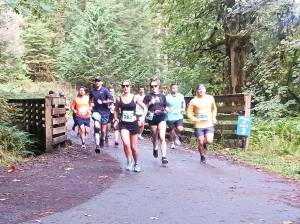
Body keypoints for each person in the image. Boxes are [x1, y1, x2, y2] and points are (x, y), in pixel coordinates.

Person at [114, 80, 147, 172]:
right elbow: (116, 110)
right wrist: (116, 119)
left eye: (127, 86)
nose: (125, 87)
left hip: (133, 124)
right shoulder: (118, 98)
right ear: (121, 87)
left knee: (134, 147)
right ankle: (129, 161)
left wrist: (142, 118)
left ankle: (136, 163)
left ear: (130, 87)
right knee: (126, 144)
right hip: (124, 124)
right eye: (123, 86)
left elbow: (145, 107)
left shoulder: (135, 97)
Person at [186, 83, 217, 163]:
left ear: (205, 90)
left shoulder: (210, 98)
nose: (201, 91)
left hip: (209, 123)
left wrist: (213, 117)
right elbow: (189, 113)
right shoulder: (193, 101)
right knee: (200, 141)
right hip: (199, 125)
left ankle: (204, 144)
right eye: (199, 89)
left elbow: (214, 109)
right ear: (197, 91)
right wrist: (195, 119)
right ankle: (202, 156)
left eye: (202, 89)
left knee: (209, 141)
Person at [143, 77, 168, 165]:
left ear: (158, 86)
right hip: (152, 117)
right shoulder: (147, 96)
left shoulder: (162, 96)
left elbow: (165, 106)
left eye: (155, 86)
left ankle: (164, 156)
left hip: (161, 116)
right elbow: (144, 107)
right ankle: (155, 147)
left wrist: (167, 109)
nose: (153, 88)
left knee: (162, 137)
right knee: (154, 135)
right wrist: (150, 103)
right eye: (152, 86)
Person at [89, 76, 113, 153]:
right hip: (96, 112)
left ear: (101, 82)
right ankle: (97, 145)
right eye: (96, 80)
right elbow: (90, 100)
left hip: (105, 112)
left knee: (103, 131)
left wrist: (103, 102)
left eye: (99, 80)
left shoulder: (105, 90)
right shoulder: (92, 91)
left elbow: (111, 100)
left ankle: (102, 138)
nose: (97, 82)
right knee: (96, 127)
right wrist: (91, 104)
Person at [165, 83, 186, 149]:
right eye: (173, 88)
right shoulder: (167, 97)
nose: (174, 89)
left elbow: (184, 102)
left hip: (178, 116)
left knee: (180, 128)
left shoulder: (181, 96)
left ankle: (176, 136)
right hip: (170, 116)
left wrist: (183, 108)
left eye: (176, 88)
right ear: (170, 89)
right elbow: (164, 105)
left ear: (177, 89)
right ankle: (172, 143)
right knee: (172, 131)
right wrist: (166, 109)